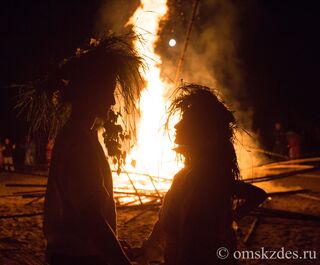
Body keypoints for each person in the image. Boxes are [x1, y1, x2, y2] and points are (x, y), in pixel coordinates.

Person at [43, 35, 144, 265]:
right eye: (107, 91)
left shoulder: (83, 135)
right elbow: (92, 218)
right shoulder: (78, 143)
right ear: (90, 91)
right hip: (77, 258)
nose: (112, 101)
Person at [140, 84, 267, 265]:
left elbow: (194, 245)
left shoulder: (206, 179)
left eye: (186, 120)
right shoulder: (187, 175)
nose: (176, 125)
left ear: (201, 131)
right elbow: (166, 225)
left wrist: (231, 216)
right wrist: (146, 249)